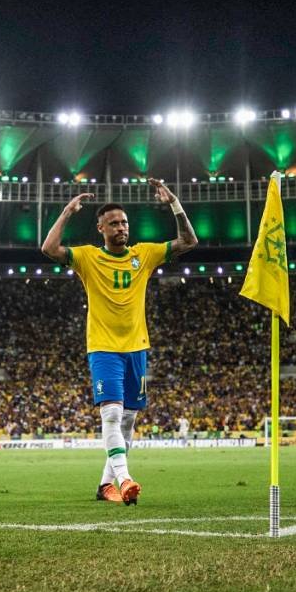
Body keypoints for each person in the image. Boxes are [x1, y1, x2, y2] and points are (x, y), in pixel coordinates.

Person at [41, 178, 197, 505]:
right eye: (113, 223)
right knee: (111, 414)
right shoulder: (87, 258)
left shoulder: (145, 254)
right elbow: (49, 249)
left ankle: (104, 486)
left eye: (124, 222)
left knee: (128, 421)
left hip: (137, 347)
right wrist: (68, 212)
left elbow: (188, 240)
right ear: (100, 228)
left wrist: (173, 203)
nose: (121, 227)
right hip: (103, 347)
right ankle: (125, 480)